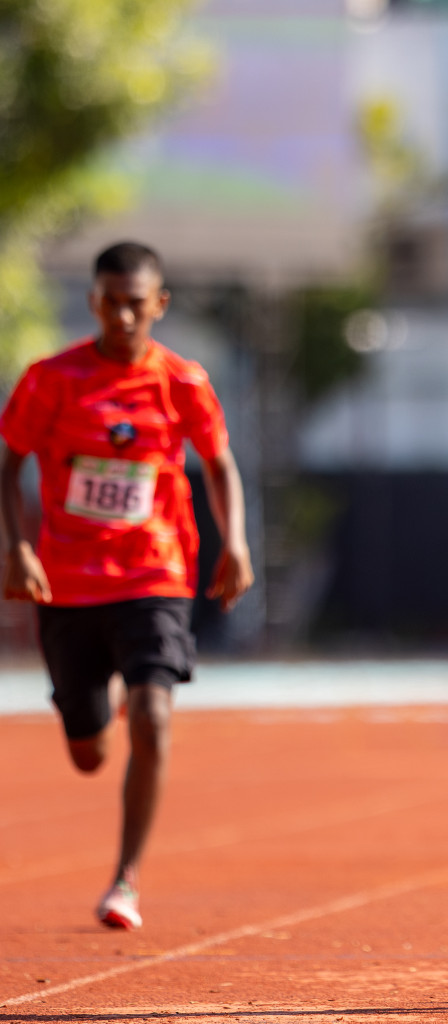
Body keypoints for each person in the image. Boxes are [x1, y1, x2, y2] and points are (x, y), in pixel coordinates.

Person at [0, 241, 253, 930]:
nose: (121, 316)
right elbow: (10, 459)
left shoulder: (182, 381)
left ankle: (126, 881)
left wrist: (233, 540)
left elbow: (219, 460)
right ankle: (99, 699)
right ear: (93, 302)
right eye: (109, 302)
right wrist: (17, 548)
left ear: (158, 305)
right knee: (88, 753)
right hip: (69, 582)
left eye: (135, 304)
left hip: (155, 571)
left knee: (155, 715)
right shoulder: (51, 379)